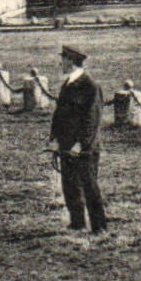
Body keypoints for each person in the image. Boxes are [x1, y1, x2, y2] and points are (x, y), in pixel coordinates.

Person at [48, 44, 107, 235]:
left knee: (89, 186)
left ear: (71, 62)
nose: (60, 63)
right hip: (66, 146)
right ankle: (77, 222)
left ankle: (99, 226)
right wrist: (55, 139)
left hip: (84, 148)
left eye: (63, 59)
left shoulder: (90, 86)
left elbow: (92, 119)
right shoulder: (67, 84)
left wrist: (81, 144)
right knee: (70, 185)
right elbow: (59, 115)